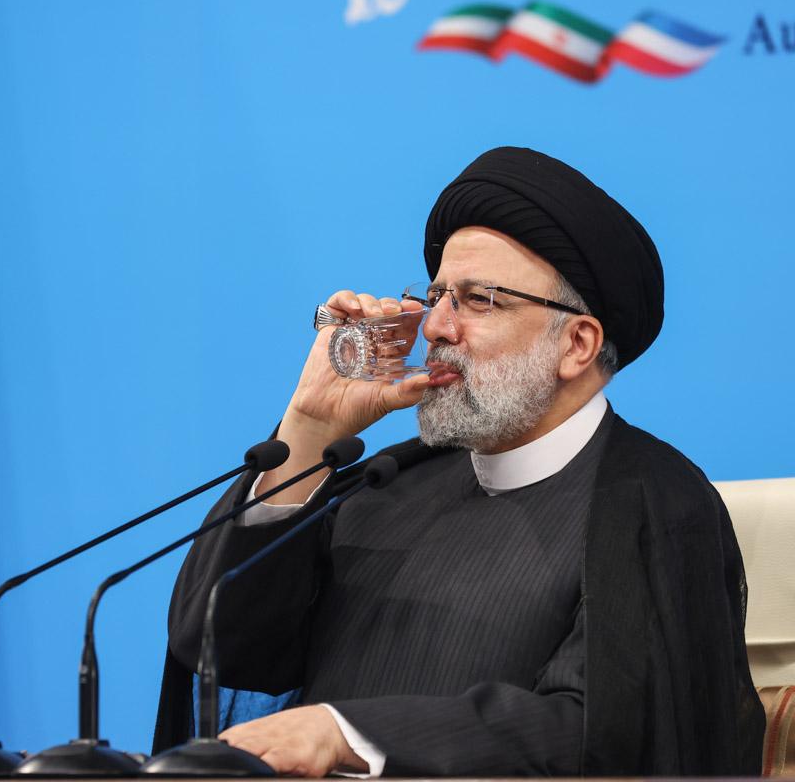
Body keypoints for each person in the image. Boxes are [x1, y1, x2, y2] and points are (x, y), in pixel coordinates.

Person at [155, 147, 764, 777]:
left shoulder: (654, 505)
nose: (436, 327)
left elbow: (605, 734)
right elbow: (219, 647)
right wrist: (308, 432)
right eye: (436, 295)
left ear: (577, 344)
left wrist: (349, 733)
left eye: (479, 300)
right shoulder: (385, 482)